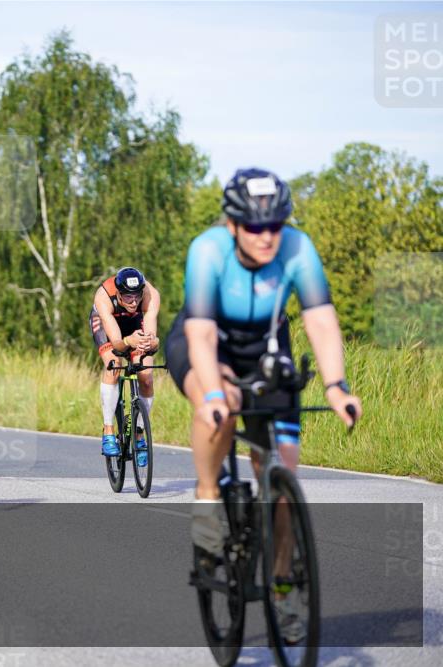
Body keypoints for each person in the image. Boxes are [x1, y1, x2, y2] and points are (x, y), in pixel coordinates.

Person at [165, 168, 362, 638]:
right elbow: (201, 332)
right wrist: (214, 394)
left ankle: (283, 583)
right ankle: (209, 496)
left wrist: (336, 386)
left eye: (276, 224)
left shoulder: (298, 248)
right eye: (255, 227)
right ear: (232, 224)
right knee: (220, 405)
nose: (267, 236)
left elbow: (320, 319)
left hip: (268, 350)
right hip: (206, 341)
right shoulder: (207, 250)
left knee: (281, 469)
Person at [90, 267, 161, 465]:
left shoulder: (150, 295)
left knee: (146, 376)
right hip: (108, 325)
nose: (133, 301)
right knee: (114, 365)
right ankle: (108, 430)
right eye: (127, 297)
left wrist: (153, 343)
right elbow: (118, 344)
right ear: (118, 293)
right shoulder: (103, 297)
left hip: (134, 323)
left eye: (137, 296)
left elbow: (152, 339)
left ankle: (139, 434)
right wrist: (129, 341)